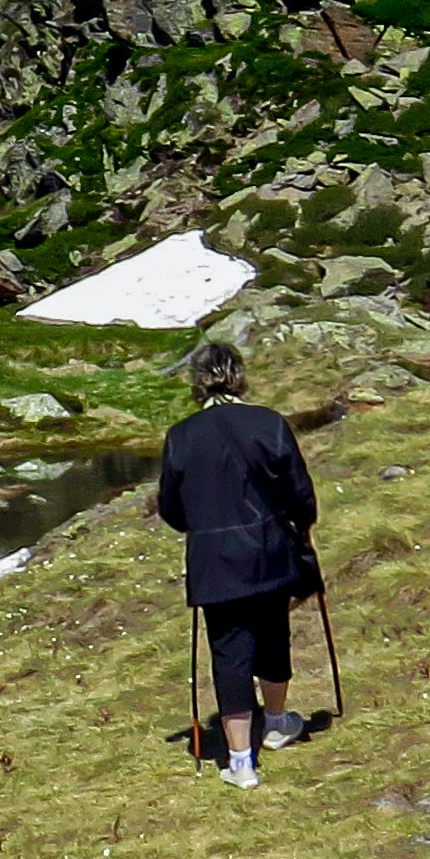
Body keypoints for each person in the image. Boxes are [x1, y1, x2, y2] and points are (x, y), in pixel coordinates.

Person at [154, 336, 317, 788]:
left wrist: (201, 528)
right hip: (269, 551)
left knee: (229, 651)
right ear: (240, 376)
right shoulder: (268, 423)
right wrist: (301, 529)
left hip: (214, 560)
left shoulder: (181, 437)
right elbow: (299, 493)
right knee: (273, 634)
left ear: (198, 382)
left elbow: (170, 507)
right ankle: (279, 723)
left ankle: (241, 762)